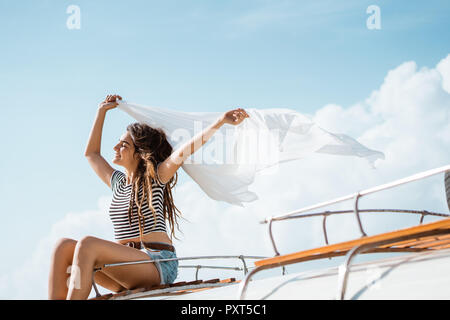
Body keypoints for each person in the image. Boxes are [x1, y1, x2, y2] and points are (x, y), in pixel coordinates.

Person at [48, 94, 250, 300]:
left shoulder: (156, 177)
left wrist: (220, 122)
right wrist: (101, 112)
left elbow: (185, 150)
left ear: (139, 153)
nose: (116, 148)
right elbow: (91, 154)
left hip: (156, 263)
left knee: (87, 244)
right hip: (126, 269)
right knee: (63, 246)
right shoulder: (118, 182)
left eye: (124, 145)